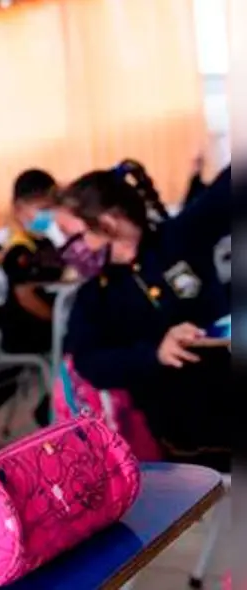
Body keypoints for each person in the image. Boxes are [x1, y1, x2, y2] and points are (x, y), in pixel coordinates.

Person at [62, 165, 231, 471]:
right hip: (182, 433)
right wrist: (154, 354)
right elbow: (89, 362)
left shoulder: (178, 238)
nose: (70, 250)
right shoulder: (94, 296)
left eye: (73, 236)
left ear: (108, 221)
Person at [1, 169, 65, 355]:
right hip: (28, 332)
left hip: (48, 326)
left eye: (52, 208)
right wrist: (58, 321)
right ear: (18, 210)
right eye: (42, 209)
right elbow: (26, 298)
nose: (49, 215)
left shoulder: (46, 243)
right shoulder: (18, 250)